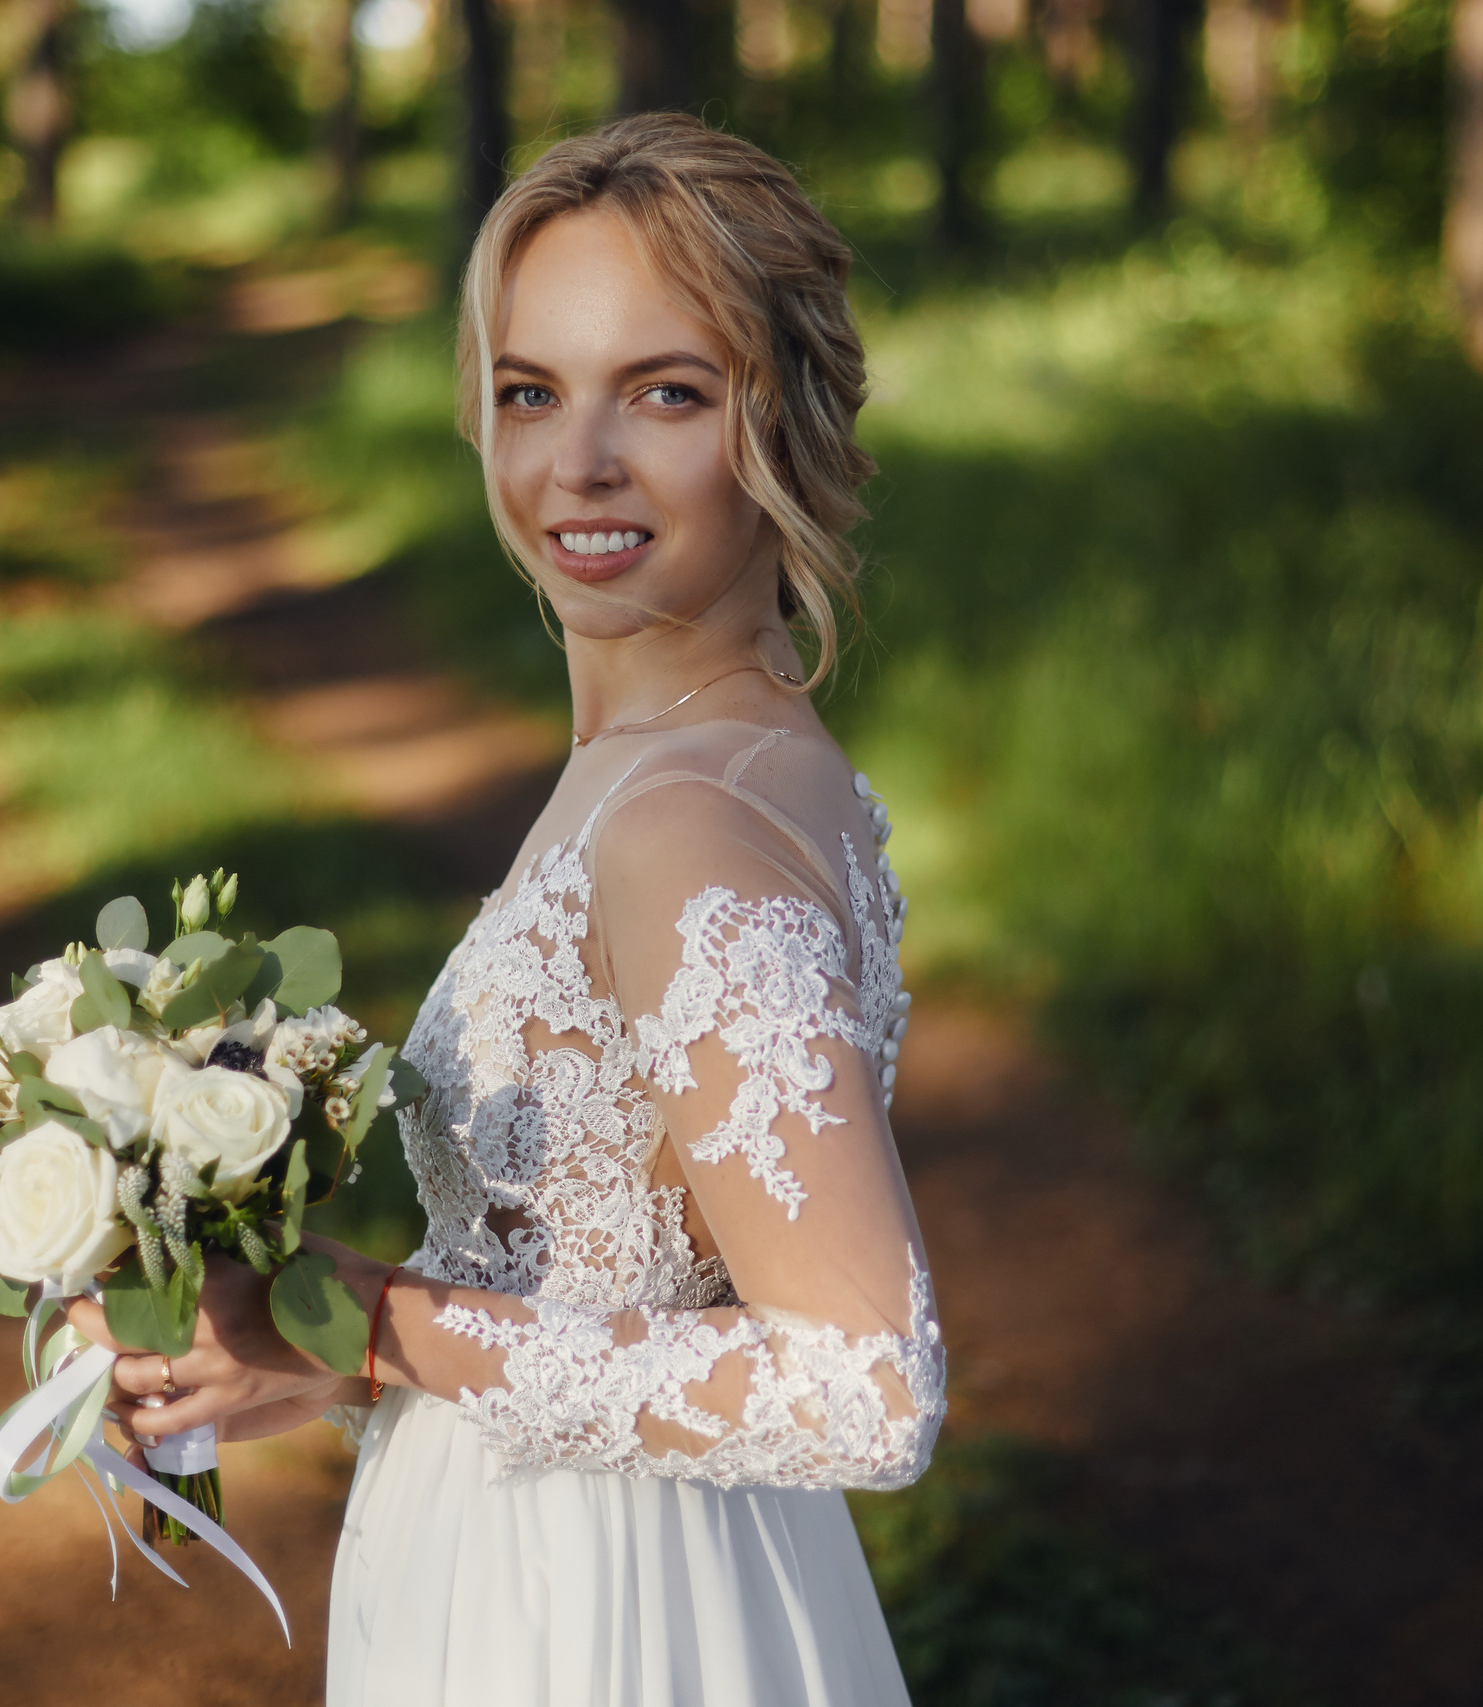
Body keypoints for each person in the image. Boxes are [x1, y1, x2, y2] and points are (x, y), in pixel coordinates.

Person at [66, 113, 945, 1706]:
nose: (577, 465)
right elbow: (613, 1297)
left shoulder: (683, 819)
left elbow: (864, 1387)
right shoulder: (702, 762)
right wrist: (300, 1361)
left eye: (666, 393)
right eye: (532, 392)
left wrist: (379, 1325)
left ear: (785, 422)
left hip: (600, 1622)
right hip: (585, 1548)